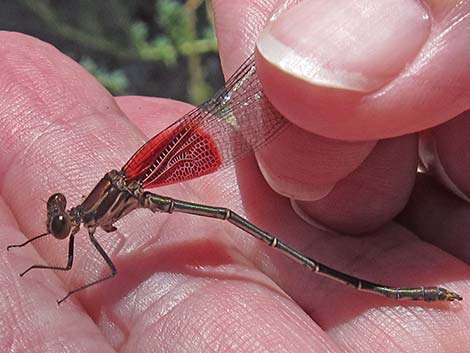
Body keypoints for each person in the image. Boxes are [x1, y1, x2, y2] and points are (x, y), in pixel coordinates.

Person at [0, 0, 468, 351]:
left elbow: (108, 266)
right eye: (60, 220)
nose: (61, 224)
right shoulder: (102, 204)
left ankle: (378, 289)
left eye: (59, 222)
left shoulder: (97, 213)